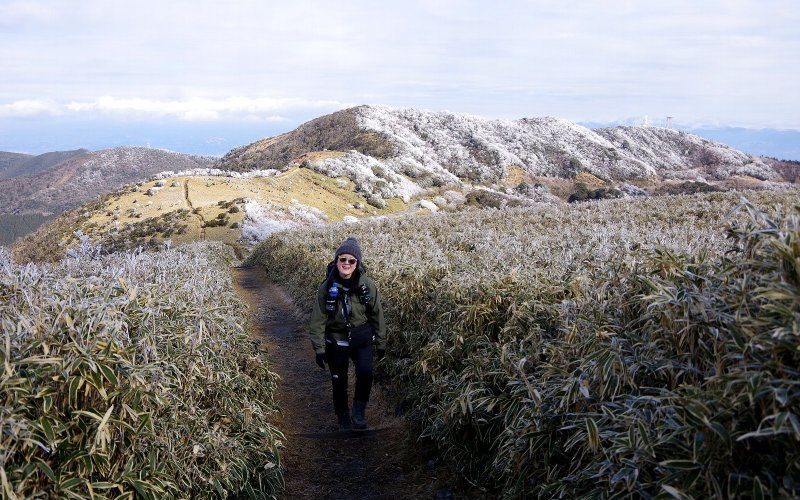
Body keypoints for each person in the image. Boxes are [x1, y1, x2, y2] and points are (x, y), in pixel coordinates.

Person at [309, 236, 386, 430]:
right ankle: (342, 415)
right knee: (339, 380)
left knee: (365, 373)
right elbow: (318, 320)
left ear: (357, 263)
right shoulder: (326, 287)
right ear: (336, 261)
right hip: (336, 340)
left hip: (362, 338)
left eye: (351, 260)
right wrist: (319, 349)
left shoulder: (366, 285)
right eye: (342, 259)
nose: (346, 263)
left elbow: (377, 314)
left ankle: (358, 413)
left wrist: (381, 344)